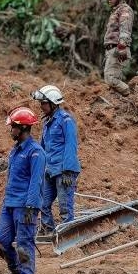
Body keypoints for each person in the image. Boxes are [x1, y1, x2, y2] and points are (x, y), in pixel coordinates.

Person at [0, 106, 46, 274]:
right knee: (0, 242)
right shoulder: (15, 151)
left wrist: (32, 206)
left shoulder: (36, 152)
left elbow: (36, 181)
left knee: (24, 245)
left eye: (13, 127)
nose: (11, 131)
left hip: (25, 206)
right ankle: (16, 273)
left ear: (23, 128)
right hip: (10, 205)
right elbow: (10, 179)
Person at [32, 84, 81, 234]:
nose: (41, 106)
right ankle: (49, 231)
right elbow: (43, 147)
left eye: (44, 103)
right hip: (49, 170)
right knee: (43, 204)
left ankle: (67, 237)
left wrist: (68, 170)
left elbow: (71, 145)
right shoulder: (47, 122)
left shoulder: (66, 120)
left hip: (63, 170)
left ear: (53, 103)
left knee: (65, 207)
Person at [102, 0, 134, 96]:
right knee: (111, 79)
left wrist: (121, 47)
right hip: (112, 49)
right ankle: (121, 103)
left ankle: (131, 97)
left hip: (117, 48)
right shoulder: (116, 11)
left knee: (110, 79)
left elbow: (125, 30)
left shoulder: (125, 10)